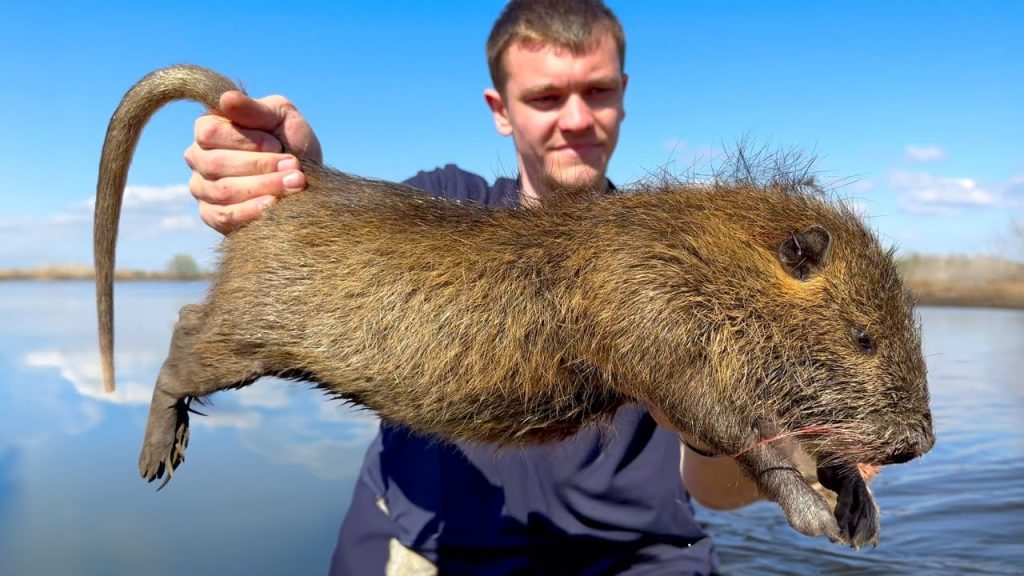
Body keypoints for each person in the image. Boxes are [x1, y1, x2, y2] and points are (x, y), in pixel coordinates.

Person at [184, 1, 771, 573]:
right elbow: (337, 250)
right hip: (432, 549)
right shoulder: (440, 206)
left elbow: (720, 495)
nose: (576, 119)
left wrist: (716, 428)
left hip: (633, 558)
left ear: (623, 92)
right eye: (544, 97)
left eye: (597, 91)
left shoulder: (680, 260)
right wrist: (296, 180)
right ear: (500, 108)